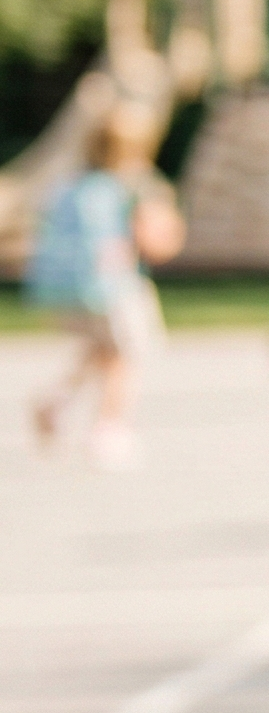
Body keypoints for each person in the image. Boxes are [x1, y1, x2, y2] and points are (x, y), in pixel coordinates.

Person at [25, 102, 182, 468]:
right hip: (116, 288)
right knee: (124, 356)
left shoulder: (74, 184)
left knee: (100, 350)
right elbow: (155, 240)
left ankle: (55, 403)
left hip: (71, 289)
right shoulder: (135, 186)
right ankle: (109, 427)